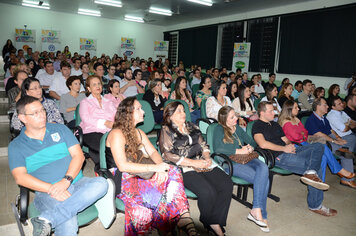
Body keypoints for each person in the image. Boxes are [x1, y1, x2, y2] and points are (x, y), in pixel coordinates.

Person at [8, 95, 113, 236]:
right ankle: (52, 216)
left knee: (101, 183)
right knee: (68, 219)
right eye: (35, 113)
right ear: (22, 118)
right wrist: (52, 188)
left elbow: (79, 156)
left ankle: (46, 219)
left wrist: (66, 181)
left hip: (77, 182)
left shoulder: (60, 129)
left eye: (42, 110)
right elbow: (20, 178)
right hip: (47, 192)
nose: (42, 115)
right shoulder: (16, 145)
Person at [106, 97, 198, 235]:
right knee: (159, 191)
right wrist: (155, 168)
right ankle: (167, 224)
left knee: (173, 170)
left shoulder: (139, 133)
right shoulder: (116, 133)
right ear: (128, 113)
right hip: (123, 178)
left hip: (140, 171)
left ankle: (184, 215)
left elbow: (154, 152)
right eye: (138, 108)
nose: (143, 111)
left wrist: (160, 166)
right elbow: (123, 166)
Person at [159, 101, 233, 236]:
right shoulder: (166, 130)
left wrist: (206, 157)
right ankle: (210, 222)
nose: (184, 113)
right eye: (179, 111)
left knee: (226, 184)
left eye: (183, 110)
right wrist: (193, 163)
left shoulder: (192, 125)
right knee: (208, 192)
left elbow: (203, 144)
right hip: (182, 165)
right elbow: (167, 154)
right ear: (170, 116)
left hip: (201, 161)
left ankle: (214, 220)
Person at [252, 101, 337, 216]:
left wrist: (289, 145)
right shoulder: (257, 125)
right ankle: (315, 205)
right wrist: (284, 149)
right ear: (262, 113)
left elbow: (285, 139)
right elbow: (262, 144)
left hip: (288, 150)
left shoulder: (275, 124)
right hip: (278, 156)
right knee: (317, 167)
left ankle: (310, 173)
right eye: (271, 111)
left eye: (274, 110)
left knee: (319, 146)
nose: (275, 113)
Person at [214, 106, 270, 232]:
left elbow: (252, 141)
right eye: (232, 117)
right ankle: (262, 213)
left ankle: (256, 209)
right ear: (224, 119)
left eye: (236, 116)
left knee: (263, 168)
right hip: (230, 162)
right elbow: (218, 149)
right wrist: (239, 150)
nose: (236, 119)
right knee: (264, 180)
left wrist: (250, 147)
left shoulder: (237, 128)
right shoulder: (219, 129)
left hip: (245, 158)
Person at [279, 100, 355, 182]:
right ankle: (338, 169)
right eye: (296, 107)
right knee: (322, 146)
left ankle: (320, 181)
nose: (298, 109)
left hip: (304, 142)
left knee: (323, 156)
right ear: (289, 109)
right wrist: (303, 135)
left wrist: (303, 135)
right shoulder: (285, 122)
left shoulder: (296, 119)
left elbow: (305, 132)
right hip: (297, 146)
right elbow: (296, 137)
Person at [305, 98, 356, 188]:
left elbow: (331, 130)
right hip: (316, 140)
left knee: (347, 147)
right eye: (325, 104)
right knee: (345, 152)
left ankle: (346, 178)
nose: (327, 106)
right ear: (318, 106)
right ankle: (345, 177)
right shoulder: (311, 119)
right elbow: (319, 134)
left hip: (328, 139)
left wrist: (338, 137)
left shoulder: (324, 118)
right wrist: (334, 141)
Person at [79, 75, 117, 168]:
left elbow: (116, 116)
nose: (98, 86)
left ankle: (110, 167)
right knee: (104, 146)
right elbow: (86, 119)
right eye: (94, 84)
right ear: (89, 88)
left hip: (109, 130)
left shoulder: (109, 102)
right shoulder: (85, 102)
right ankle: (106, 168)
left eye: (99, 83)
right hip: (90, 131)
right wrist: (104, 122)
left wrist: (115, 123)